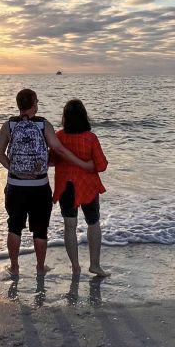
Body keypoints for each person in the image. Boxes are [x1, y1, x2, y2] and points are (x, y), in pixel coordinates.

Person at [0, 88, 95, 279]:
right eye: (37, 102)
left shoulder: (9, 125)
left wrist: (13, 170)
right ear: (34, 105)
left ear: (18, 105)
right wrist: (82, 163)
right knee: (40, 229)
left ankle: (14, 267)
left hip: (15, 186)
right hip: (39, 186)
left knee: (14, 227)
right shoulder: (43, 125)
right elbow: (59, 150)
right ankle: (40, 268)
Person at [53, 99, 110, 278]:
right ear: (84, 116)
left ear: (65, 117)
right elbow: (101, 165)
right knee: (93, 222)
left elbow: (51, 160)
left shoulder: (59, 137)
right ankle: (95, 265)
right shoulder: (90, 138)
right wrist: (87, 164)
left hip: (66, 185)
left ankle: (75, 267)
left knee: (70, 225)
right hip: (87, 187)